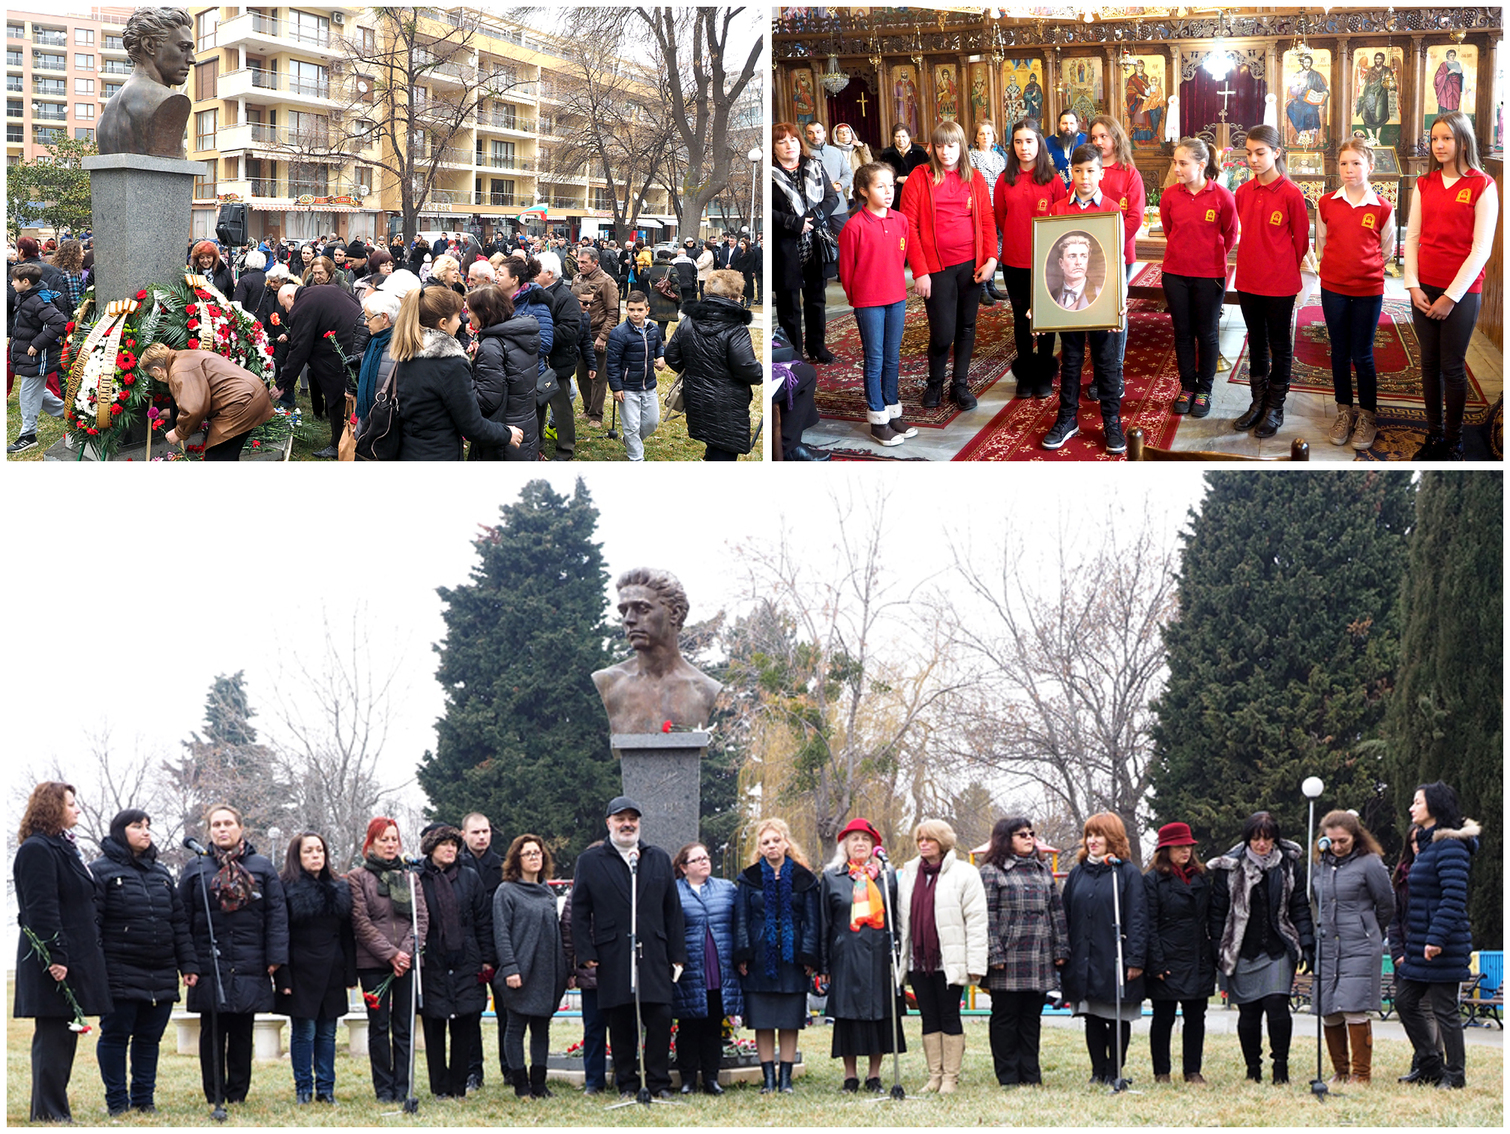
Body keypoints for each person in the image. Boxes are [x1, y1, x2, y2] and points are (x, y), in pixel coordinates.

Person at [570, 797, 688, 1099]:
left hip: (654, 954)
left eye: (633, 819)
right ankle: (627, 1083)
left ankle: (658, 1083)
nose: (627, 824)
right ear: (608, 823)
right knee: (620, 1020)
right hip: (613, 954)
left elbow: (672, 910)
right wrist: (585, 953)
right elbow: (580, 911)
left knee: (660, 1017)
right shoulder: (590, 861)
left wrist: (677, 954)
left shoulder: (657, 857)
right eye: (620, 818)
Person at [91, 809, 200, 1116]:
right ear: (120, 831)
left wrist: (188, 964)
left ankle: (143, 1100)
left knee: (149, 1038)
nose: (146, 831)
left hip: (161, 970)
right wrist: (97, 969)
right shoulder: (101, 871)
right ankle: (117, 1102)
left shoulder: (162, 873)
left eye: (148, 826)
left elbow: (178, 922)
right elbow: (93, 924)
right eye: (137, 826)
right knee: (115, 1036)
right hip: (118, 970)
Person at [14, 783, 113, 1122]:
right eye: (71, 804)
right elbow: (40, 907)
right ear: (52, 808)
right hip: (54, 960)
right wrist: (55, 955)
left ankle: (53, 1110)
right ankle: (48, 1114)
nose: (78, 810)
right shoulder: (37, 849)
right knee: (54, 1037)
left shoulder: (63, 847)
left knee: (63, 1037)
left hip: (74, 957)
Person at [179, 804, 289, 1106]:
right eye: (216, 825)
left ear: (241, 828)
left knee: (242, 1029)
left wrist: (275, 957)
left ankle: (237, 1093)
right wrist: (187, 961)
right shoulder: (196, 867)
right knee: (211, 1031)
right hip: (208, 960)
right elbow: (182, 917)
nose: (222, 829)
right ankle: (214, 1092)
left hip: (249, 960)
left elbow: (277, 915)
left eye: (228, 823)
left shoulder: (262, 866)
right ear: (210, 830)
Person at [1404, 109, 1498, 460]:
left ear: (1462, 142)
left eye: (1447, 138)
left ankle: (1454, 439)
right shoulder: (1424, 183)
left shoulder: (1481, 185)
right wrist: (1413, 286)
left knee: (1452, 366)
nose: (1439, 145)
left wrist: (1449, 297)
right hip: (1423, 286)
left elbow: (1481, 250)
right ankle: (1434, 434)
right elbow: (1411, 238)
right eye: (1434, 138)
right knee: (1428, 363)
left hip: (1460, 292)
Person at [1207, 811, 1315, 1085]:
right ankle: (1252, 1067)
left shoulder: (1289, 866)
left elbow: (1300, 906)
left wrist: (1307, 942)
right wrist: (1217, 948)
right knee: (1249, 1012)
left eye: (1267, 838)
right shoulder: (1230, 867)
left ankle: (1281, 1066)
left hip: (1278, 947)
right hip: (1242, 948)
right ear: (1248, 839)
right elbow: (1218, 912)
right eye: (1256, 838)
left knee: (1277, 1005)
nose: (1262, 844)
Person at [897, 119, 997, 412]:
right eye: (939, 145)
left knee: (966, 326)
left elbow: (987, 220)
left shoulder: (974, 178)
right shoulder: (920, 176)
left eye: (951, 145)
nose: (945, 151)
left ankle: (960, 384)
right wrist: (920, 271)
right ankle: (935, 382)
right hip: (936, 266)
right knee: (942, 332)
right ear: (932, 147)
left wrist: (991, 258)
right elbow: (909, 227)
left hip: (970, 264)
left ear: (961, 146)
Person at [1041, 145, 1131, 455]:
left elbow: (1117, 260)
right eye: (1078, 171)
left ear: (1101, 173)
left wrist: (1120, 300)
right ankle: (1067, 419)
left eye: (1091, 171)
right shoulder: (1057, 210)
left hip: (1101, 301)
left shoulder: (1111, 209)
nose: (1084, 177)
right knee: (1072, 360)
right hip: (1068, 306)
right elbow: (1049, 262)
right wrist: (1040, 305)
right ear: (1071, 173)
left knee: (1106, 364)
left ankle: (1111, 421)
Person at [1393, 782, 1480, 1089]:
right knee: (1404, 1001)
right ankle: (1430, 1065)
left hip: (1443, 944)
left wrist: (1437, 939)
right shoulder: (1428, 846)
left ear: (1435, 807)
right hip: (1419, 944)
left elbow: (1454, 898)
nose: (1411, 808)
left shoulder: (1451, 846)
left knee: (1445, 1010)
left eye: (1417, 802)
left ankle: (1455, 1076)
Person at [1231, 123, 1311, 439]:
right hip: (1248, 279)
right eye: (1249, 153)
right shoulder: (1242, 192)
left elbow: (1301, 241)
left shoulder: (1291, 193)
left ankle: (1275, 407)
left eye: (1260, 153)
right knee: (1256, 340)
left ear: (1276, 153)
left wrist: (1281, 268)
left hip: (1279, 282)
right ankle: (1257, 403)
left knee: (1279, 344)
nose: (1253, 159)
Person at [1315, 138, 1394, 448]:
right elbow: (1322, 242)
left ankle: (1368, 416)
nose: (1349, 169)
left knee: (1362, 352)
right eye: (1344, 163)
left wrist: (1364, 269)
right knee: (1338, 349)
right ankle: (1344, 410)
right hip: (1333, 287)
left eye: (1356, 163)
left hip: (1367, 290)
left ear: (1370, 167)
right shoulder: (1326, 203)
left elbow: (1386, 250)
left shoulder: (1381, 207)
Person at [897, 820, 987, 1095]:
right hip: (918, 959)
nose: (924, 844)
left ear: (943, 842)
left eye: (930, 839)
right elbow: (903, 921)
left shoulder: (965, 873)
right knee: (928, 1016)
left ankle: (950, 1078)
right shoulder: (909, 873)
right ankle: (934, 1076)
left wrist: (975, 964)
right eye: (920, 839)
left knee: (949, 1015)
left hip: (950, 960)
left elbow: (976, 921)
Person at [732, 818, 820, 1095]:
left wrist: (809, 955)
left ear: (786, 842)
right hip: (759, 958)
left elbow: (812, 920)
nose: (772, 846)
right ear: (760, 847)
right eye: (766, 842)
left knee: (789, 1021)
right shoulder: (749, 878)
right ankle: (768, 1079)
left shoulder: (804, 878)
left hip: (793, 958)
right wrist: (743, 954)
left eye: (776, 840)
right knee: (763, 1020)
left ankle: (786, 1080)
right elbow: (741, 919)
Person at [978, 816, 1067, 1088]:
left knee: (1031, 1019)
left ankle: (1031, 1075)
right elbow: (986, 917)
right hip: (1007, 958)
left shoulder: (1042, 871)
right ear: (1006, 839)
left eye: (1031, 833)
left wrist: (1060, 948)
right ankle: (1008, 1076)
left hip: (1038, 956)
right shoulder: (992, 871)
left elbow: (1056, 913)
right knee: (1005, 1019)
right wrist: (994, 954)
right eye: (1022, 834)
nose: (1029, 838)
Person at [819, 817, 905, 1094]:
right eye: (854, 839)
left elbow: (897, 916)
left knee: (880, 1014)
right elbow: (824, 923)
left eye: (865, 839)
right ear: (845, 845)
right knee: (848, 1016)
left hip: (880, 955)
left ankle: (875, 1075)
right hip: (846, 955)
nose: (860, 844)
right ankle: (850, 1076)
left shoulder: (886, 875)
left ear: (873, 846)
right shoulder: (833, 876)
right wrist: (823, 963)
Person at [1061, 812, 1147, 1087]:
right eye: (1089, 835)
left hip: (1115, 958)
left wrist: (1135, 959)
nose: (1093, 840)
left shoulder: (1127, 873)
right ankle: (1098, 1070)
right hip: (1084, 957)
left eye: (1099, 834)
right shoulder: (1077, 873)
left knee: (1117, 1016)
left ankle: (1114, 1070)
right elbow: (1067, 915)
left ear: (1113, 838)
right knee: (1092, 1015)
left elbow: (1137, 917)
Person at [387, 285, 520, 461]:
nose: (461, 322)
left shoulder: (406, 352)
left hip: (408, 448)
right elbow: (473, 427)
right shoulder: (450, 364)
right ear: (443, 323)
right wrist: (507, 433)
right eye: (458, 316)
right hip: (438, 454)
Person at [1308, 811, 1392, 1086]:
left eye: (1343, 840)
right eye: (1331, 840)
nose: (1337, 846)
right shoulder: (1319, 865)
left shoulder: (1370, 863)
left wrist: (1368, 929)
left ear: (1355, 837)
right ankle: (1340, 1071)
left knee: (1354, 1007)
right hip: (1328, 946)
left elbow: (1386, 904)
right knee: (1330, 1009)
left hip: (1360, 946)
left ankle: (1361, 1073)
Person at [350, 817, 429, 1103]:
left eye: (394, 838)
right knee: (379, 1027)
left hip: (407, 964)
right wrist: (390, 954)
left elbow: (420, 918)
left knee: (404, 1027)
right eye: (383, 839)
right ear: (371, 843)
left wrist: (405, 954)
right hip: (372, 964)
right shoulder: (358, 877)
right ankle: (383, 1089)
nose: (390, 844)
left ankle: (402, 1086)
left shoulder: (410, 877)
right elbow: (360, 921)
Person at [275, 832, 356, 1105]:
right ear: (297, 856)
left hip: (333, 967)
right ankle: (303, 1089)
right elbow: (280, 934)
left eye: (319, 850)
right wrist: (282, 976)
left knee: (328, 1032)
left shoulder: (339, 886)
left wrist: (350, 972)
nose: (315, 856)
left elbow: (347, 935)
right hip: (300, 970)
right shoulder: (285, 887)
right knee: (305, 1031)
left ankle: (326, 1088)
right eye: (308, 851)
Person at [1160, 137, 1239, 419]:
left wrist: (1209, 256)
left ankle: (1204, 390)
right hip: (1175, 274)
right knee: (1182, 334)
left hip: (1209, 276)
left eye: (1183, 163)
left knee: (1206, 334)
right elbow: (1170, 231)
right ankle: (1187, 387)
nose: (1177, 168)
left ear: (1201, 165)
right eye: (1175, 162)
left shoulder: (1222, 196)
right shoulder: (1170, 196)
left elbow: (1230, 235)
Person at [993, 118, 1069, 400]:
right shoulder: (1004, 180)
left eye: (1030, 141)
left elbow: (1062, 220)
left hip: (1047, 261)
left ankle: (1044, 374)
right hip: (1014, 260)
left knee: (1046, 318)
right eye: (1018, 142)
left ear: (1039, 143)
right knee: (1020, 317)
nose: (1024, 147)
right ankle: (1025, 373)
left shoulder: (1053, 180)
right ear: (1012, 146)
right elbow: (1001, 217)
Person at [416, 824, 493, 1100]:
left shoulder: (470, 878)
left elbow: (483, 920)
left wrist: (486, 959)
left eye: (453, 845)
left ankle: (459, 1085)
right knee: (434, 1024)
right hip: (432, 960)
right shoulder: (417, 878)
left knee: (465, 1023)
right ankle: (439, 1086)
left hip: (466, 959)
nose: (450, 850)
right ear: (431, 848)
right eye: (444, 845)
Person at [491, 833, 567, 1099]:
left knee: (541, 1028)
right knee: (515, 1027)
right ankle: (521, 1085)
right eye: (528, 854)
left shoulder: (547, 891)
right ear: (517, 859)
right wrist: (510, 968)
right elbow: (501, 933)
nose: (535, 857)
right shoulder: (506, 891)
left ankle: (539, 1084)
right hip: (520, 972)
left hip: (547, 971)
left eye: (538, 853)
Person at [1142, 821, 1215, 1085]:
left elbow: (1209, 918)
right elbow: (1149, 924)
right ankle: (1161, 1072)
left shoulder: (1200, 878)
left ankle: (1193, 1071)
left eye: (1188, 846)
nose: (1185, 850)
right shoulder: (1152, 881)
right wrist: (1157, 963)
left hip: (1198, 956)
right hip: (1167, 958)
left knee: (1196, 1017)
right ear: (1165, 849)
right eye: (1179, 846)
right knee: (1163, 1017)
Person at [664, 268, 762, 461]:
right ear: (735, 295)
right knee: (724, 451)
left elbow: (671, 355)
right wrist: (762, 372)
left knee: (714, 445)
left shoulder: (689, 320)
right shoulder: (735, 327)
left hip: (697, 393)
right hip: (728, 399)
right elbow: (747, 369)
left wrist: (695, 370)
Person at [671, 842, 743, 1095]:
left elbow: (738, 924)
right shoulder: (673, 891)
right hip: (689, 969)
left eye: (706, 857)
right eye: (697, 859)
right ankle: (688, 1079)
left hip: (719, 968)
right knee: (689, 1026)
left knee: (714, 1024)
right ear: (683, 866)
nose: (704, 862)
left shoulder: (726, 889)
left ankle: (711, 1078)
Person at [773, 121, 840, 364]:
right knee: (788, 304)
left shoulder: (814, 166)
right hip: (785, 246)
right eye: (782, 141)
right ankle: (793, 351)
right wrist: (794, 223)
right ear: (774, 148)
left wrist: (813, 219)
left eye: (792, 139)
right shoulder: (770, 175)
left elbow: (831, 197)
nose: (789, 145)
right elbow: (769, 212)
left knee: (816, 299)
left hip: (815, 241)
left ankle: (817, 346)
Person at [139, 342, 276, 461]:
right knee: (225, 456)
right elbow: (200, 394)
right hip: (250, 395)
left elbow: (196, 408)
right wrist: (174, 412)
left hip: (240, 403)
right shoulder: (184, 357)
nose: (156, 378)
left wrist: (178, 432)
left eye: (153, 375)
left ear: (158, 370)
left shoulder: (177, 370)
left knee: (217, 458)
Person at [275, 272, 362, 458]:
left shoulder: (302, 307)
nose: (287, 312)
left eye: (285, 306)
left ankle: (338, 443)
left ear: (291, 296)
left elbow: (299, 349)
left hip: (338, 354)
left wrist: (283, 383)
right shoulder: (325, 289)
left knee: (337, 396)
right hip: (358, 343)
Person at [455, 814, 507, 1093]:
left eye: (486, 831)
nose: (482, 837)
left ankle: (510, 1067)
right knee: (471, 1013)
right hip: (468, 950)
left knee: (507, 1013)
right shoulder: (456, 866)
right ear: (464, 835)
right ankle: (473, 1071)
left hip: (500, 948)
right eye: (475, 832)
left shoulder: (502, 866)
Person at [467, 284, 541, 463]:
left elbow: (487, 400)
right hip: (526, 425)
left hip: (504, 437)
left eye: (470, 311)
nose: (468, 315)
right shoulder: (521, 335)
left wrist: (466, 376)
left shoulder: (492, 346)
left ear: (485, 311)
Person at [559, 852, 609, 1095]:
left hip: (619, 971)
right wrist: (572, 968)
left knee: (626, 1028)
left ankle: (626, 1077)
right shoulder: (577, 896)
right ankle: (594, 1081)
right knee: (594, 1028)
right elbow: (568, 934)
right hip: (591, 974)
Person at [6, 263, 69, 453]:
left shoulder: (38, 301)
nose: (11, 284)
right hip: (28, 356)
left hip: (38, 356)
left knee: (27, 394)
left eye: (14, 281)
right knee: (37, 394)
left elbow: (59, 323)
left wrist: (36, 344)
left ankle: (28, 435)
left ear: (26, 282)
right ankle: (71, 414)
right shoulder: (24, 297)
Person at [605, 291, 668, 461]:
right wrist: (616, 387)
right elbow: (612, 363)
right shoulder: (619, 333)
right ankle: (636, 458)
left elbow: (658, 347)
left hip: (648, 385)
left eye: (640, 309)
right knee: (631, 425)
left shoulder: (653, 328)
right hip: (628, 387)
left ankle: (630, 441)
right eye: (632, 309)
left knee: (651, 422)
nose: (635, 313)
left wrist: (661, 357)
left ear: (647, 310)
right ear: (626, 309)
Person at [535, 250, 581, 461]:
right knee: (536, 408)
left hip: (557, 364)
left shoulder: (565, 297)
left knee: (561, 409)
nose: (533, 275)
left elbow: (571, 331)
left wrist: (541, 331)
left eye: (537, 272)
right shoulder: (537, 293)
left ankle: (565, 451)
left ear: (550, 273)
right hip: (538, 362)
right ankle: (537, 447)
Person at [570, 246, 621, 429]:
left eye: (584, 262)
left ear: (595, 263)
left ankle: (596, 415)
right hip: (580, 332)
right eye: (578, 261)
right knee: (582, 374)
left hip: (597, 332)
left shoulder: (606, 281)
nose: (580, 265)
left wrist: (603, 336)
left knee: (598, 376)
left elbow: (613, 311)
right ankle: (587, 407)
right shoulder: (577, 278)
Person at [1087, 116, 1145, 275]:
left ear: (1116, 138)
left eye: (1103, 136)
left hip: (1120, 250)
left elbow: (1135, 216)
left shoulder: (1130, 173)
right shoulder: (1085, 171)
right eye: (1094, 138)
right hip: (1086, 251)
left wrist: (1112, 242)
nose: (1098, 142)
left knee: (1117, 299)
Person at [967, 120, 1009, 303]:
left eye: (989, 133)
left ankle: (991, 285)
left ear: (994, 137)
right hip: (980, 206)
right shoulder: (971, 157)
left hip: (998, 205)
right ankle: (982, 287)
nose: (985, 137)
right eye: (981, 134)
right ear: (976, 138)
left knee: (997, 243)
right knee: (983, 246)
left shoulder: (1000, 158)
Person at [354, 289, 400, 432]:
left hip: (383, 427)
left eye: (368, 318)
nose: (366, 324)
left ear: (384, 318)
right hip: (369, 422)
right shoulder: (376, 342)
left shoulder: (398, 348)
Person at [806, 121, 853, 242]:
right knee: (820, 245)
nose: (815, 136)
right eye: (810, 133)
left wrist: (840, 184)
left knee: (847, 240)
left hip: (838, 205)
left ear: (824, 133)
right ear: (806, 135)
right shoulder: (803, 154)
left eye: (818, 132)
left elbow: (848, 173)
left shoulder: (835, 152)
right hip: (816, 207)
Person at [1046, 109, 1087, 187]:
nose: (1068, 127)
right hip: (1055, 188)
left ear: (1077, 125)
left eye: (1072, 123)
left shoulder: (1086, 141)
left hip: (1081, 188)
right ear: (1059, 124)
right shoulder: (1047, 143)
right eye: (1064, 123)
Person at [51, 239, 87, 311]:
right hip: (68, 312)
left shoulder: (57, 268)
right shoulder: (70, 273)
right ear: (73, 254)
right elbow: (75, 300)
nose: (83, 254)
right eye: (81, 251)